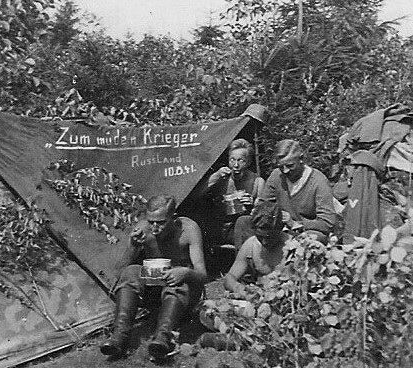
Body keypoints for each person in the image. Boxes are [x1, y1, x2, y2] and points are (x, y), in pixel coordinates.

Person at [100, 195, 207, 360]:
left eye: (161, 222)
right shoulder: (143, 229)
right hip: (156, 288)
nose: (155, 228)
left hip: (184, 294)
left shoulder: (188, 230)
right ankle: (119, 336)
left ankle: (163, 338)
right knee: (131, 271)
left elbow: (202, 275)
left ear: (174, 217)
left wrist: (184, 272)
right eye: (151, 222)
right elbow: (120, 272)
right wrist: (133, 246)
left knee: (177, 282)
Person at [197, 201, 291, 349]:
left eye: (270, 237)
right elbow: (229, 278)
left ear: (279, 229)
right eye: (261, 237)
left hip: (280, 307)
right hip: (253, 302)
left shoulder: (290, 248)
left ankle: (240, 340)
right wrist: (240, 289)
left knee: (276, 323)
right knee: (206, 309)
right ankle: (239, 336)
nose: (265, 242)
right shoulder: (251, 245)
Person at [235, 139, 336, 245]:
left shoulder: (318, 181)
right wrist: (259, 210)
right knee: (243, 222)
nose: (285, 170)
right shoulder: (276, 176)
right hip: (278, 228)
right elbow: (263, 204)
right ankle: (246, 260)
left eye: (290, 165)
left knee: (311, 238)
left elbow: (328, 223)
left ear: (301, 159)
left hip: (305, 231)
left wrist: (296, 224)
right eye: (281, 167)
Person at [205, 138, 264, 248]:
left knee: (243, 225)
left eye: (241, 160)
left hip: (243, 229)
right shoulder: (222, 178)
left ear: (249, 162)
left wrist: (253, 204)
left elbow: (263, 212)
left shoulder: (257, 182)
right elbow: (196, 195)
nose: (235, 165)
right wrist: (215, 176)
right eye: (232, 160)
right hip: (219, 227)